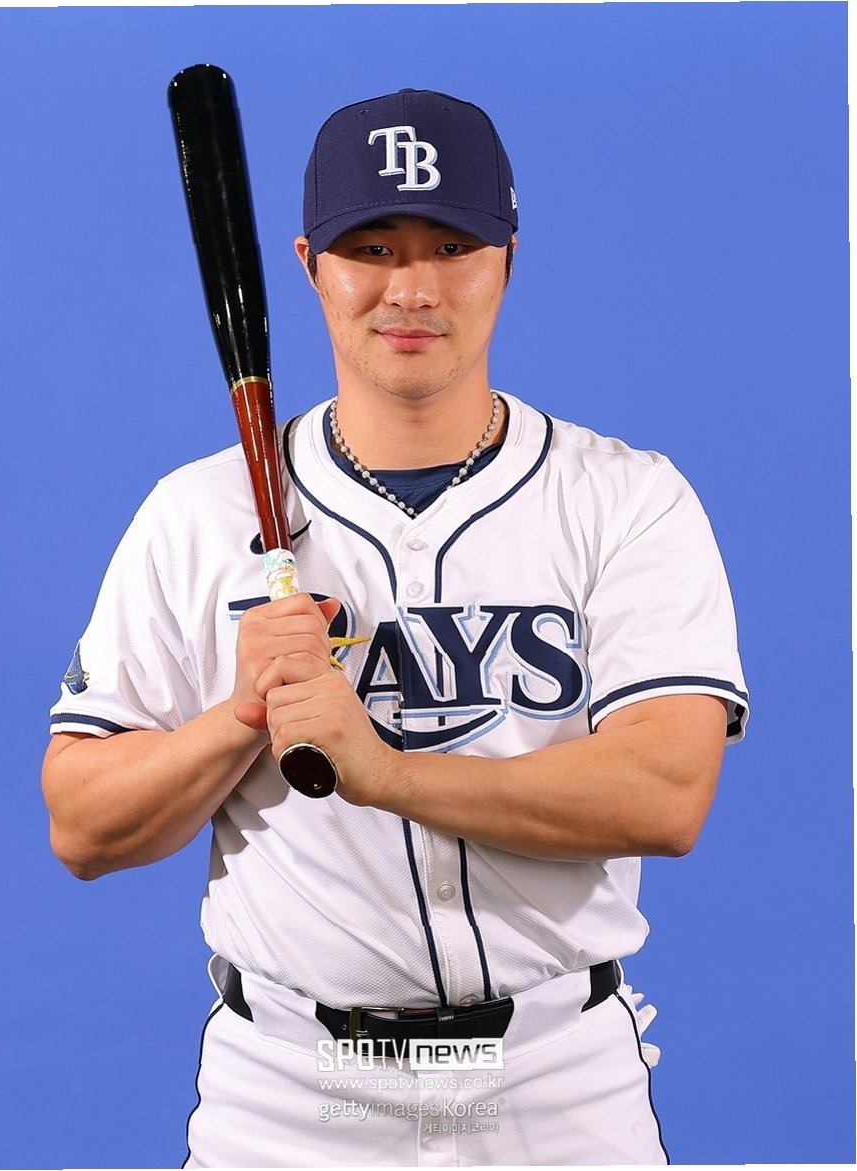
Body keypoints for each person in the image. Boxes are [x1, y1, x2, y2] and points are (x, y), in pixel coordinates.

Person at [42, 87, 749, 1167]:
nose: (411, 287)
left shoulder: (625, 500)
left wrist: (384, 771)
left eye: (451, 246)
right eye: (369, 248)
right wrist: (239, 717)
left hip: (558, 1088)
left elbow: (663, 791)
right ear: (309, 265)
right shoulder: (195, 514)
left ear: (506, 260)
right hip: (287, 1097)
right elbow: (82, 824)